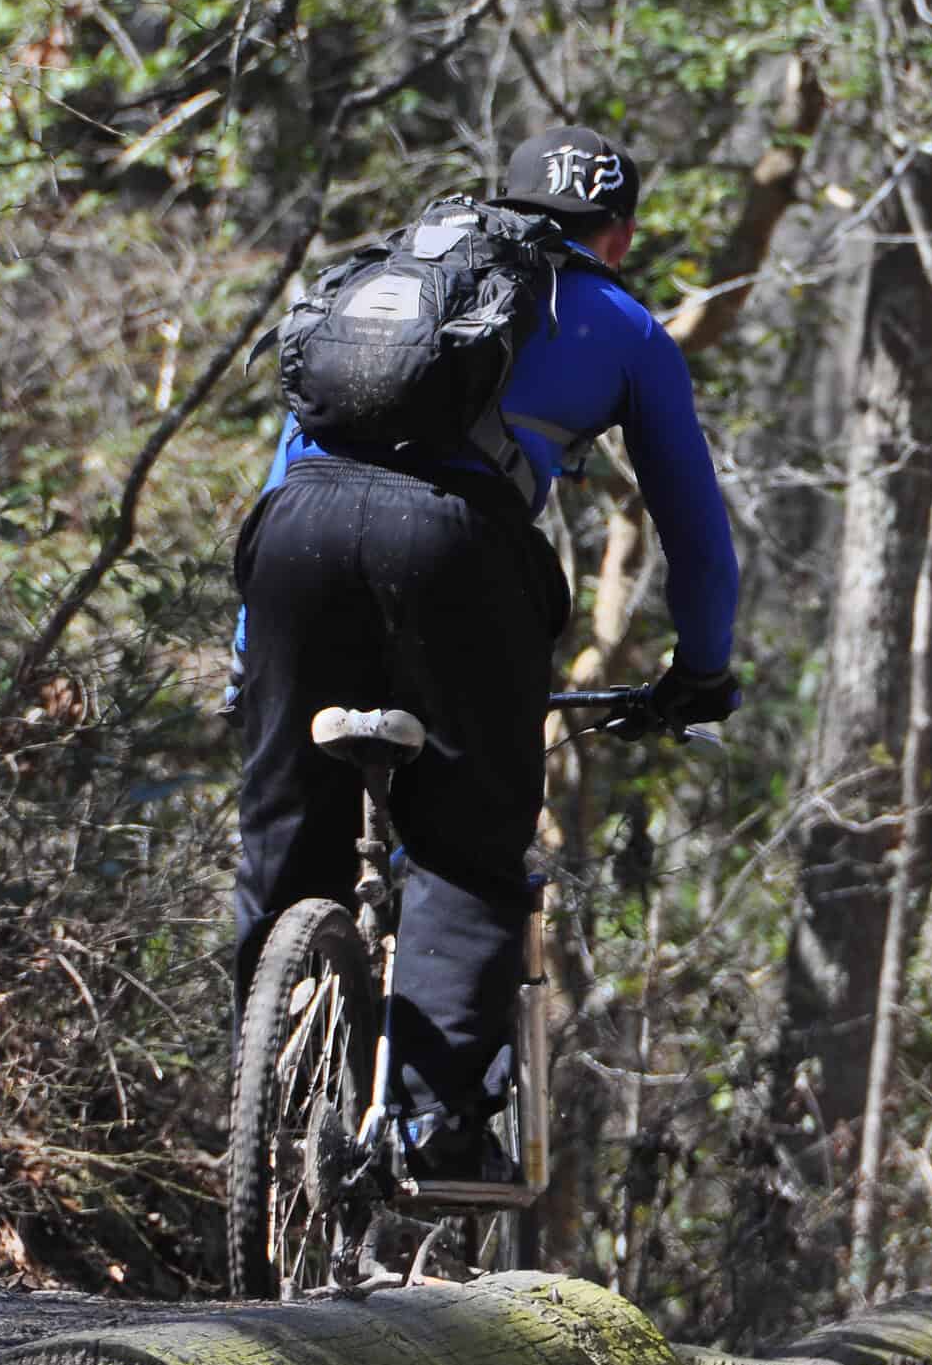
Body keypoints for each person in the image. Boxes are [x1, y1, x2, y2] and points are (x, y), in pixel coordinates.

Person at [230, 125, 741, 1176]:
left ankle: (263, 1086)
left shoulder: (386, 283)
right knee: (470, 835)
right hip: (459, 551)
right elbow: (693, 527)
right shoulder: (622, 322)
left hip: (296, 540)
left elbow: (293, 453)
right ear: (618, 235)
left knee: (288, 814)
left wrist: (250, 657)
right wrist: (701, 672)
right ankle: (437, 1125)